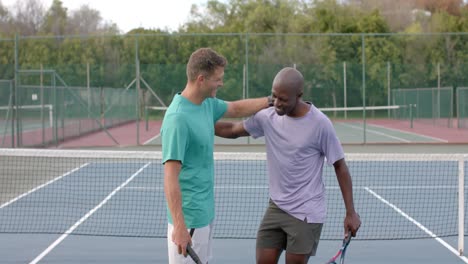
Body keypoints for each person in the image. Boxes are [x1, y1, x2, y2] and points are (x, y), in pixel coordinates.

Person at [215, 67, 361, 264]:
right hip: (276, 207)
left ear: (298, 96)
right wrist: (200, 121)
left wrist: (350, 213)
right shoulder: (268, 116)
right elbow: (232, 129)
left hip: (306, 213)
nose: (277, 103)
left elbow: (340, 167)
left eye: (283, 99)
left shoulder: (320, 124)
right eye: (274, 96)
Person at [161, 47, 273, 264]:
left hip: (205, 214)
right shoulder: (177, 119)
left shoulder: (206, 104)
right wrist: (180, 227)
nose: (221, 83)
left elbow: (236, 108)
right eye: (218, 79)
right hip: (189, 219)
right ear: (201, 79)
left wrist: (271, 101)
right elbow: (170, 177)